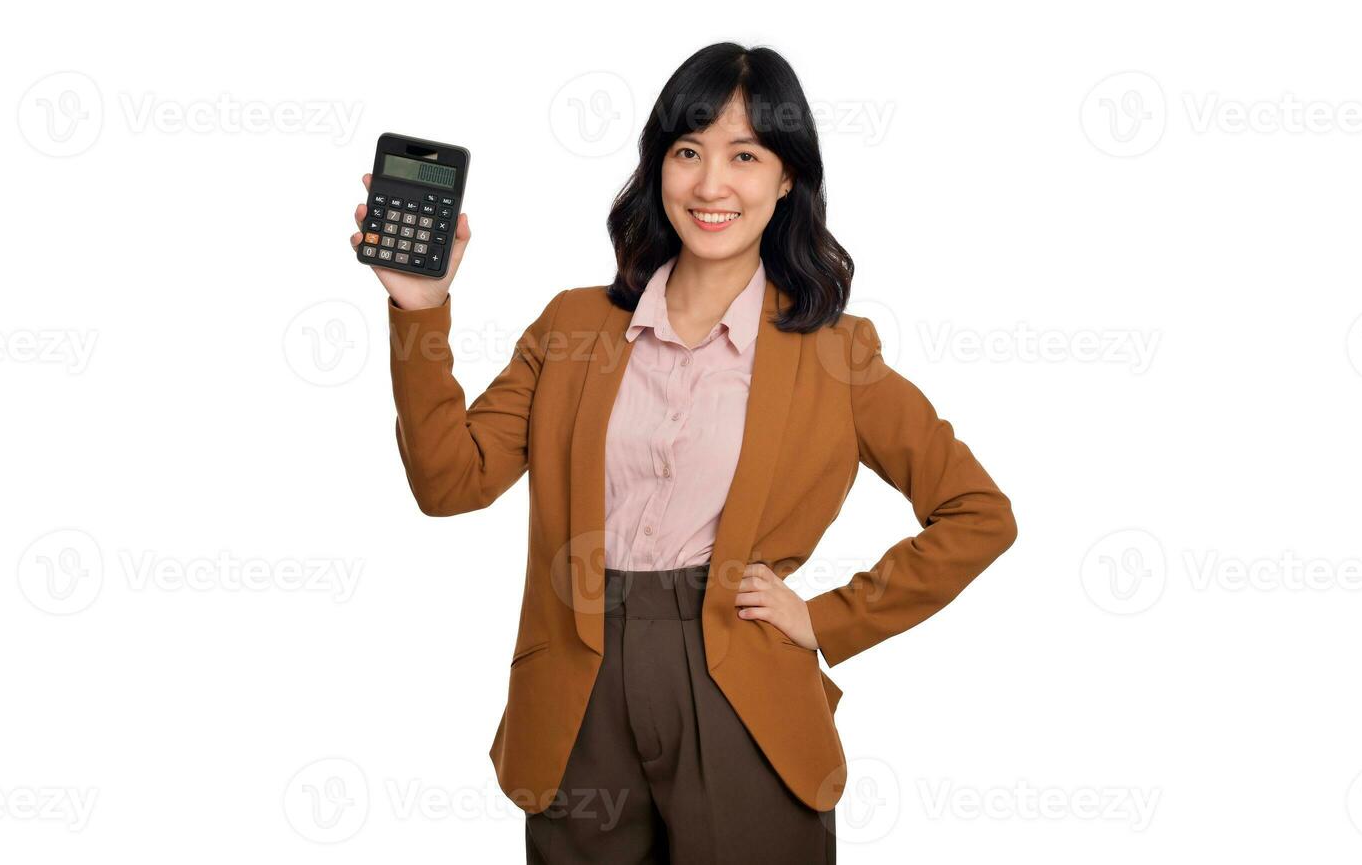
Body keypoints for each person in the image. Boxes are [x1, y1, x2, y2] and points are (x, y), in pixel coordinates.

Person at [348, 42, 1018, 863]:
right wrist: (421, 309)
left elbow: (979, 515)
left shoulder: (836, 353)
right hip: (576, 691)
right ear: (657, 168)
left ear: (787, 180)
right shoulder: (573, 326)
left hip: (738, 686)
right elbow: (449, 482)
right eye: (688, 152)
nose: (710, 185)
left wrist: (826, 619)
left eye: (745, 156)